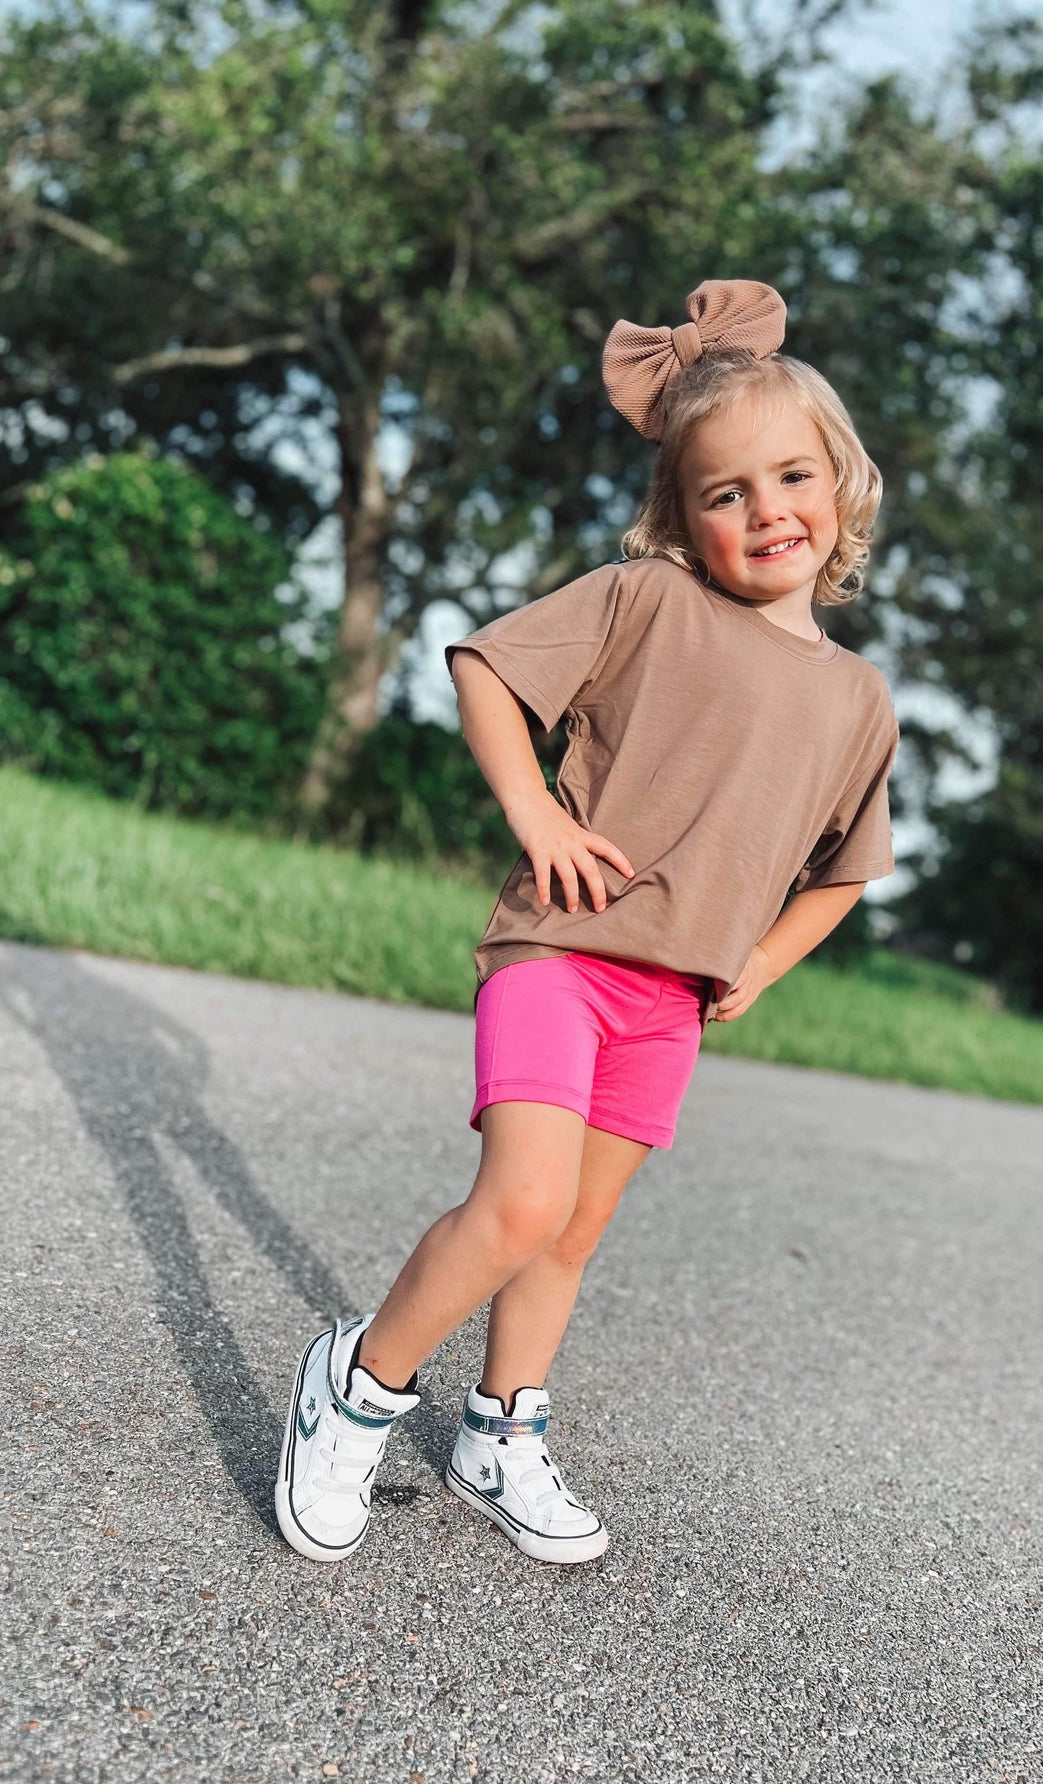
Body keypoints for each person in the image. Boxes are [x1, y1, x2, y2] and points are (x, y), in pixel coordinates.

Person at [275, 278, 900, 1568]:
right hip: (563, 954)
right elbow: (487, 668)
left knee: (570, 1232)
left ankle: (500, 1428)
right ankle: (359, 1385)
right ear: (684, 516)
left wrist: (763, 967)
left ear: (840, 483)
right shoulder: (648, 603)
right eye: (726, 493)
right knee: (518, 1203)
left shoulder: (858, 700)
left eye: (791, 477)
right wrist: (536, 817)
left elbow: (846, 868)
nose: (766, 510)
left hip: (672, 999)